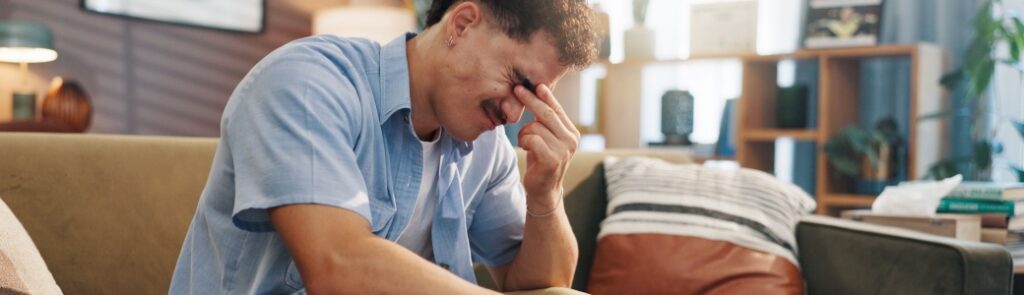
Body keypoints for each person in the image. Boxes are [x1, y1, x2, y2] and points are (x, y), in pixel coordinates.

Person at [169, 0, 598, 294]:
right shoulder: (307, 83)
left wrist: (546, 193)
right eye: (518, 82)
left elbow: (542, 285)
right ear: (463, 24)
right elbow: (338, 267)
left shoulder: (486, 148)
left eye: (534, 97)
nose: (514, 113)